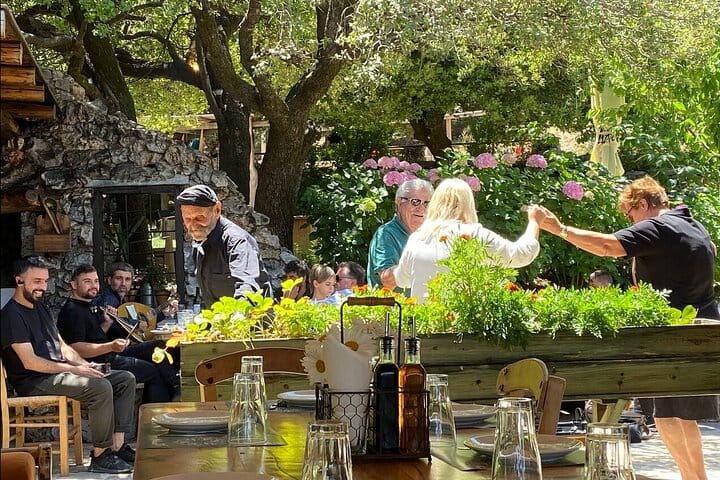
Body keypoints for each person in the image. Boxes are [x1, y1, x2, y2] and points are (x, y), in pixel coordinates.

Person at [538, 175, 719, 479]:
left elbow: (607, 245)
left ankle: (695, 478)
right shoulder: (692, 225)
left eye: (630, 213)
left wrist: (560, 229)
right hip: (698, 329)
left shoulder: (659, 227)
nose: (631, 222)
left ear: (644, 204)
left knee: (667, 417)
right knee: (678, 417)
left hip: (673, 334)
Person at [0, 257, 136, 473]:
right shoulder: (10, 315)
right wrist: (74, 369)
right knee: (100, 388)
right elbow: (30, 361)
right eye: (37, 281)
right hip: (34, 380)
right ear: (19, 280)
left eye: (45, 281)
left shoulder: (40, 307)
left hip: (58, 372)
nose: (43, 287)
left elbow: (62, 346)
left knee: (124, 379)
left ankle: (117, 447)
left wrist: (87, 366)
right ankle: (101, 456)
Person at [394, 178, 544, 303]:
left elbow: (402, 280)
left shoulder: (418, 238)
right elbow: (521, 254)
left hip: (423, 324)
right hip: (461, 326)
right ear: (468, 204)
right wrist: (534, 221)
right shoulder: (475, 235)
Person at [57, 264, 178, 403]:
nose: (93, 286)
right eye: (87, 281)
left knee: (159, 348)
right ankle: (169, 396)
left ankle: (173, 390)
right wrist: (111, 346)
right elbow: (76, 348)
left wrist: (107, 323)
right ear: (73, 284)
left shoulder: (87, 306)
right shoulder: (73, 311)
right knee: (153, 369)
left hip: (109, 355)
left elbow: (93, 337)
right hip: (99, 363)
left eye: (96, 281)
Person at [176, 184, 272, 307]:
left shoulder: (237, 241)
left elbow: (248, 285)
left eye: (199, 218)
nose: (193, 225)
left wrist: (238, 314)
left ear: (217, 210)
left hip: (249, 318)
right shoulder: (200, 244)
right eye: (187, 219)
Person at [367, 179, 434, 291]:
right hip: (394, 302)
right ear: (399, 202)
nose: (421, 209)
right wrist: (418, 264)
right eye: (415, 202)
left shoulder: (431, 234)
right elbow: (387, 280)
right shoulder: (386, 234)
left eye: (427, 203)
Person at [93, 261, 178, 340]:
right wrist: (136, 324)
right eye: (119, 278)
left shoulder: (120, 300)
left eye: (127, 279)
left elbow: (144, 320)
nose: (123, 283)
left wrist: (164, 313)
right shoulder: (109, 298)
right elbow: (112, 321)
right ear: (109, 280)